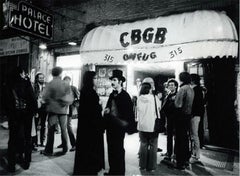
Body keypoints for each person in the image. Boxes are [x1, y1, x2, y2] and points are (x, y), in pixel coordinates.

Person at [5, 67, 37, 172]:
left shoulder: (8, 84)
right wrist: (33, 112)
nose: (25, 74)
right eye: (23, 73)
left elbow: (5, 101)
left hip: (13, 116)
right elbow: (32, 99)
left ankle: (11, 165)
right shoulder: (26, 83)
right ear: (20, 73)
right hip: (26, 116)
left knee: (12, 139)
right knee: (27, 138)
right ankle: (26, 162)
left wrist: (8, 114)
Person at [104, 69, 135, 175]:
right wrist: (107, 111)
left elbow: (129, 113)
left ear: (120, 81)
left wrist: (128, 126)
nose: (112, 82)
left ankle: (119, 172)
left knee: (118, 149)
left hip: (119, 127)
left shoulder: (125, 96)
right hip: (110, 126)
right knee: (111, 149)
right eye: (112, 80)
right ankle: (112, 170)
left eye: (115, 80)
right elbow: (108, 107)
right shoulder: (112, 94)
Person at [73, 71, 105, 175]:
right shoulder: (90, 92)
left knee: (86, 147)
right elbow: (93, 111)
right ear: (89, 80)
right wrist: (100, 106)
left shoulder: (86, 91)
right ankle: (89, 168)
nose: (97, 80)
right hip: (91, 126)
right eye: (95, 78)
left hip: (86, 126)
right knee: (90, 147)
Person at [41, 67, 74, 156]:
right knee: (64, 130)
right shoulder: (65, 84)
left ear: (52, 74)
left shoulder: (50, 84)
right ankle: (65, 148)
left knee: (51, 130)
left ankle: (49, 150)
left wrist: (51, 101)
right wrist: (63, 102)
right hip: (63, 110)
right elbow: (70, 99)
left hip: (52, 110)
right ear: (60, 74)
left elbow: (44, 98)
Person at [137, 82, 161, 172]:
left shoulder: (139, 99)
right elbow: (159, 109)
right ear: (150, 89)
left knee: (143, 145)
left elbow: (138, 110)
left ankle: (142, 165)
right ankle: (151, 167)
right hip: (152, 126)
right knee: (153, 145)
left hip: (142, 126)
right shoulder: (154, 98)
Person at [174, 72, 194, 170]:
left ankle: (179, 163)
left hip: (180, 116)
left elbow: (178, 104)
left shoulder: (182, 89)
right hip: (188, 116)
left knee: (179, 139)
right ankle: (186, 159)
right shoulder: (191, 89)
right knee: (185, 138)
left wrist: (174, 99)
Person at [58, 76, 80, 152]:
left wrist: (73, 105)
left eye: (67, 80)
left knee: (68, 126)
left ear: (70, 81)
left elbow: (78, 99)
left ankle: (74, 144)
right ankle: (63, 143)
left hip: (70, 108)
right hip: (62, 109)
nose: (66, 82)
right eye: (65, 81)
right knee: (62, 126)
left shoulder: (73, 88)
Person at [142, 77, 163, 153]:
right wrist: (158, 99)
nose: (153, 84)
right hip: (151, 122)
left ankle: (143, 158)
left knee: (143, 142)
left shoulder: (140, 96)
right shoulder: (153, 97)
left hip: (143, 123)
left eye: (153, 82)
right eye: (151, 83)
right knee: (152, 142)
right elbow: (158, 108)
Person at [161, 79, 178, 161]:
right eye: (169, 85)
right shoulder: (168, 94)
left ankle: (175, 154)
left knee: (175, 137)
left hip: (175, 119)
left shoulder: (177, 95)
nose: (170, 86)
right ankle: (169, 152)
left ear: (175, 86)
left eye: (172, 85)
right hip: (168, 119)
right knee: (169, 137)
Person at [190, 74, 205, 163]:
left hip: (194, 115)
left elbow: (195, 104)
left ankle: (196, 155)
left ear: (192, 80)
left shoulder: (195, 90)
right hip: (197, 115)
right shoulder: (200, 89)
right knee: (195, 134)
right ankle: (195, 153)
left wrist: (192, 113)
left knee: (194, 135)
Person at [33, 72, 47, 147]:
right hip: (36, 108)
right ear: (37, 79)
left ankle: (42, 141)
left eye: (43, 78)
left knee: (43, 125)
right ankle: (35, 142)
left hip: (44, 108)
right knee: (35, 125)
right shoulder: (34, 86)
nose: (42, 79)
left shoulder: (46, 86)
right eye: (40, 78)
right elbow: (32, 96)